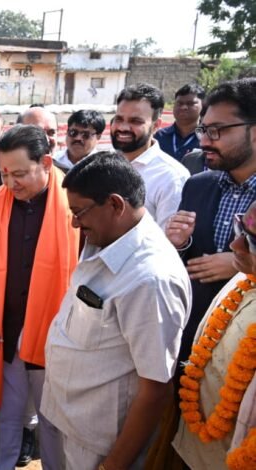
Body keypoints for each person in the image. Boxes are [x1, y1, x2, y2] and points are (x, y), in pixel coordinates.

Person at [41, 151, 191, 469]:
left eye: (79, 212)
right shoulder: (107, 237)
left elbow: (155, 389)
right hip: (66, 414)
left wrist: (114, 465)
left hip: (98, 443)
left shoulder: (151, 279)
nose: (74, 222)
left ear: (115, 204)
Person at [149, 79, 256, 468]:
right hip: (192, 351)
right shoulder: (198, 185)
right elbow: (181, 267)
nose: (205, 140)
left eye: (218, 131)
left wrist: (242, 269)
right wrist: (176, 245)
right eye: (204, 130)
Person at [0, 125, 78, 470]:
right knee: (7, 415)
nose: (10, 183)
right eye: (3, 173)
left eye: (19, 174)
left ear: (45, 162)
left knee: (54, 423)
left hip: (58, 334)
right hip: (7, 329)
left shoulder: (75, 197)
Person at [172, 199, 256, 469]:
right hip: (193, 447)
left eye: (252, 242)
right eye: (239, 229)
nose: (235, 246)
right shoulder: (242, 279)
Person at [111, 83, 190, 229]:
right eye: (119, 119)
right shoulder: (105, 165)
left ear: (155, 126)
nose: (123, 128)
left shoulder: (171, 176)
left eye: (136, 121)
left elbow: (166, 242)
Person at [155, 84, 204, 161]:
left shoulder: (208, 138)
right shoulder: (158, 136)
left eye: (190, 103)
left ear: (203, 105)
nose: (183, 107)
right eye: (179, 103)